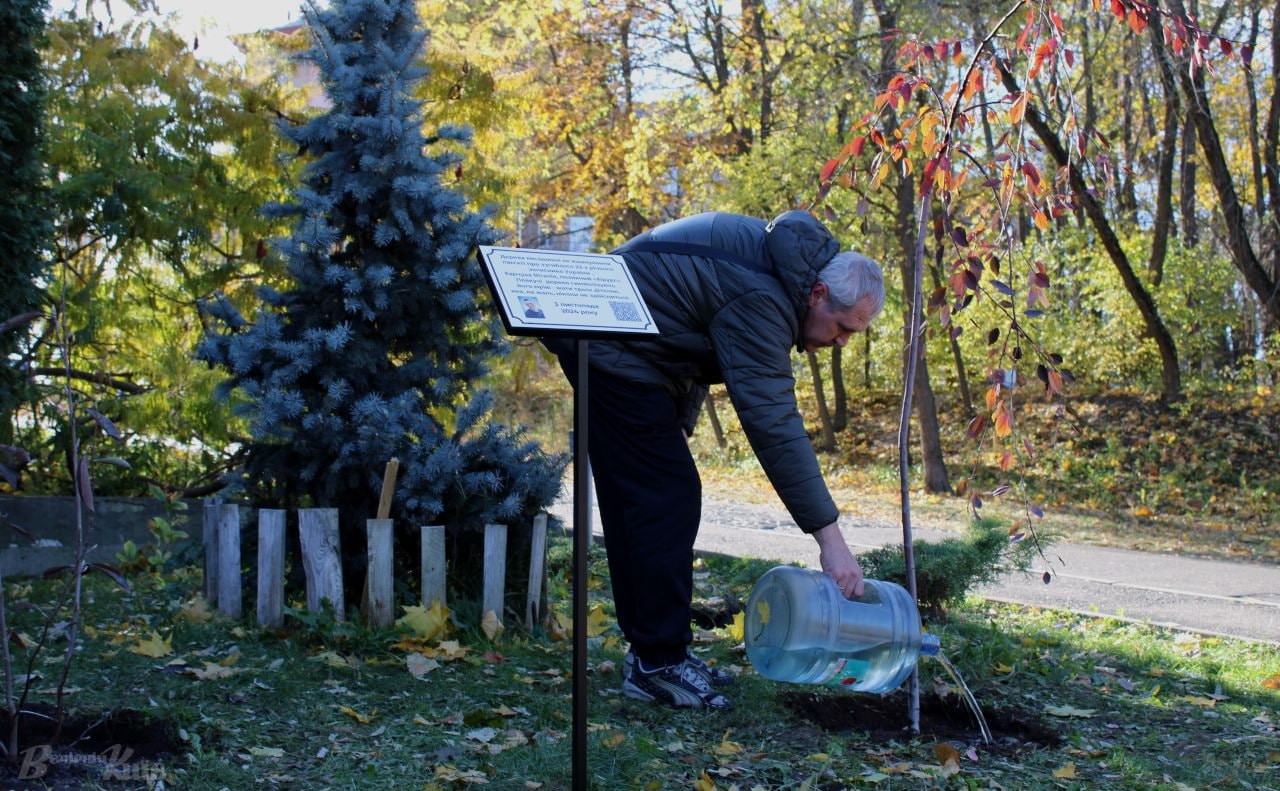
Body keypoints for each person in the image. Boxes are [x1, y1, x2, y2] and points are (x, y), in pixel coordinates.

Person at [545, 210, 885, 710]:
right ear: (817, 295)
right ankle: (657, 664)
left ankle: (658, 654)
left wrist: (677, 420)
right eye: (841, 328)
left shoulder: (778, 268)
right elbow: (773, 423)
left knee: (656, 495)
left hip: (628, 349)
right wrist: (830, 540)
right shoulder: (767, 296)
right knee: (665, 498)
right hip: (606, 342)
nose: (839, 343)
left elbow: (694, 330)